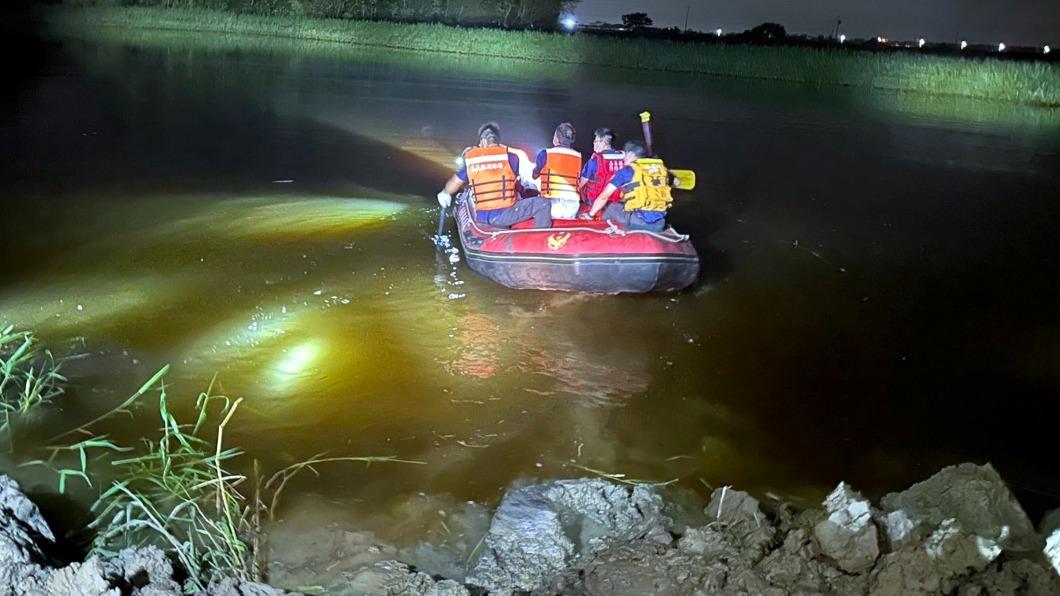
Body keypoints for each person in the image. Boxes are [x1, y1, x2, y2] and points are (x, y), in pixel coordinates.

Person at [437, 123, 552, 229]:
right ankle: (540, 238)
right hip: (504, 215)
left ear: (483, 142)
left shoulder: (472, 159)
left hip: (482, 216)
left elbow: (456, 182)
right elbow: (514, 183)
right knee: (543, 203)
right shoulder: (512, 157)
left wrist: (445, 192)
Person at [581, 140, 673, 232]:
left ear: (630, 155)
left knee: (610, 207)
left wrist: (590, 215)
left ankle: (608, 236)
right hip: (660, 222)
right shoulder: (662, 170)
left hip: (638, 222)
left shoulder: (627, 170)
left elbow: (603, 197)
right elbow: (675, 183)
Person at [533, 122, 583, 219]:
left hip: (551, 204)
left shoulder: (545, 153)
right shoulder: (579, 156)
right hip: (572, 206)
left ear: (556, 138)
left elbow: (534, 175)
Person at [578, 128, 625, 211]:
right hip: (617, 203)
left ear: (603, 143)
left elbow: (580, 184)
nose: (594, 143)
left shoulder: (595, 160)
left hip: (595, 203)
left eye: (596, 141)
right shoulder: (623, 157)